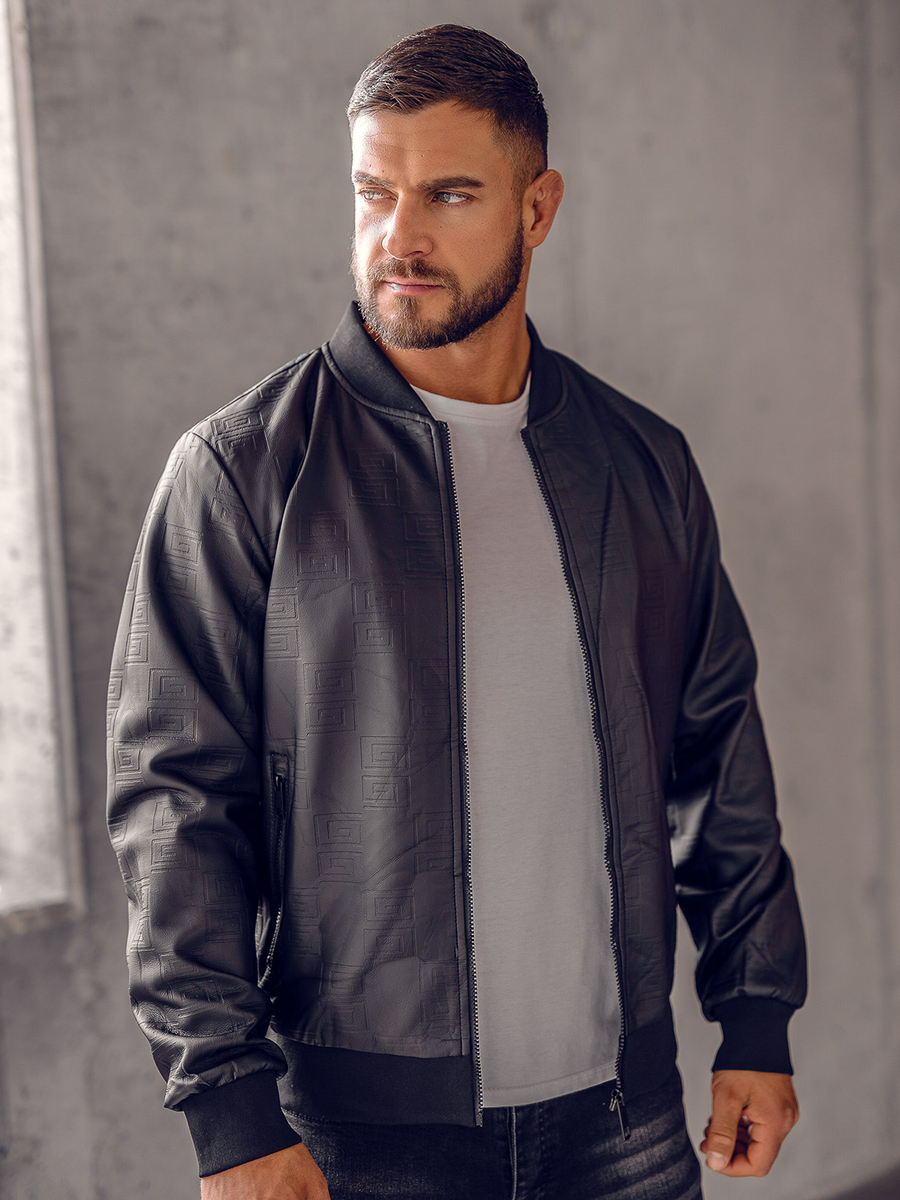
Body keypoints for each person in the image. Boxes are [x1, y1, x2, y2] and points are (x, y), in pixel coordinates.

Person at [107, 24, 806, 1200]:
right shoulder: (241, 473)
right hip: (357, 1137)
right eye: (373, 192)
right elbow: (175, 805)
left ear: (538, 208)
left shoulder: (641, 464)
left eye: (448, 194)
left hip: (626, 1122)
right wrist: (228, 1108)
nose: (400, 236)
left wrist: (756, 1018)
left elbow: (716, 754)